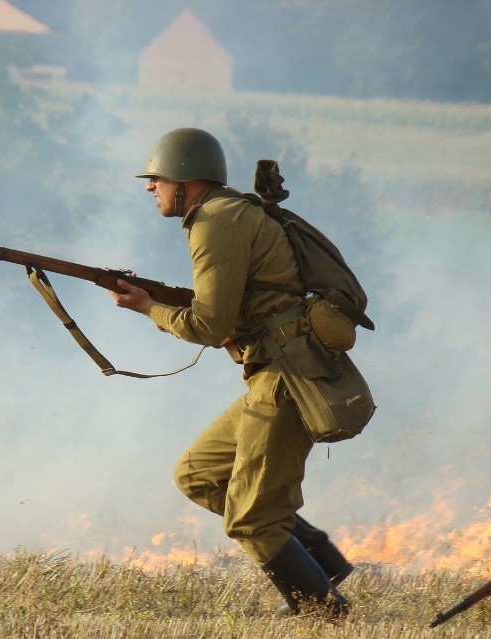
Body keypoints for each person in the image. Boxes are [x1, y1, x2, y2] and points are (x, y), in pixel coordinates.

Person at [110, 127, 354, 616]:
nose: (148, 187)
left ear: (184, 178)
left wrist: (149, 309)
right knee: (199, 474)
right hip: (275, 372)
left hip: (288, 380)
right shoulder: (231, 211)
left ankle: (323, 610)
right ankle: (319, 561)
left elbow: (208, 322)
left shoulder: (215, 221)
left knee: (252, 518)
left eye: (155, 178)